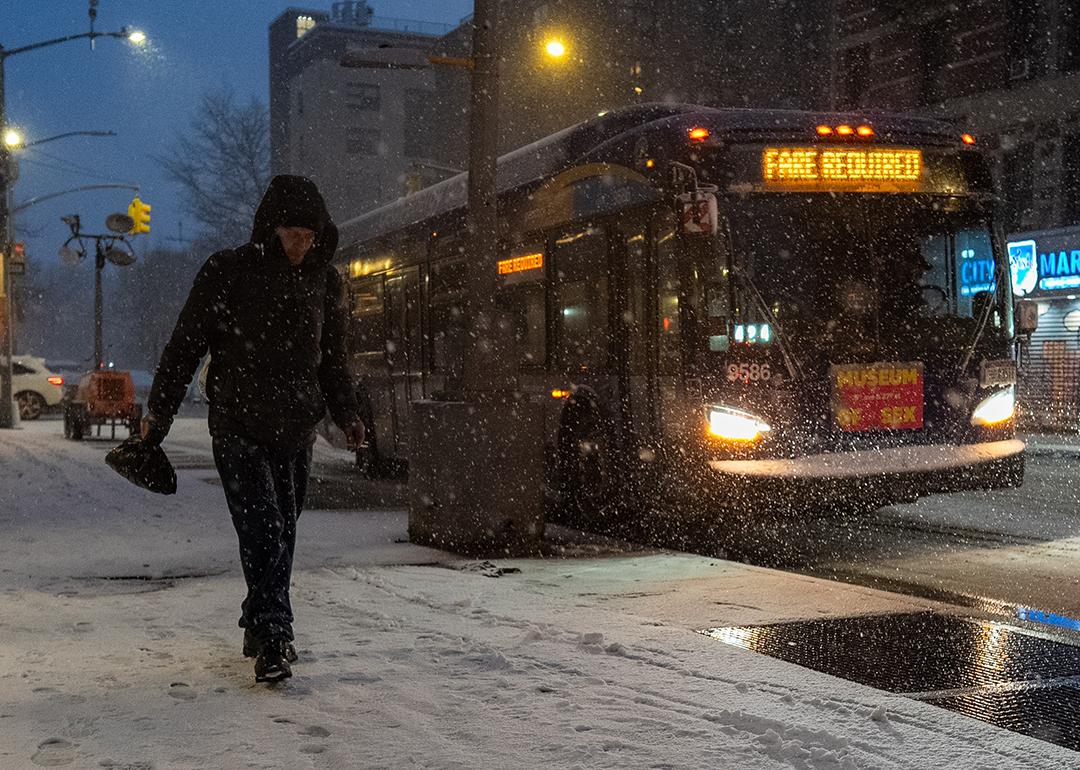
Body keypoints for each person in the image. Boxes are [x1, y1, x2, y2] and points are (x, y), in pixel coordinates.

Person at [141, 175, 365, 683]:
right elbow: (184, 349)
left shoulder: (324, 282)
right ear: (270, 228)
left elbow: (331, 359)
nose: (300, 247)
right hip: (239, 425)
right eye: (292, 235)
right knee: (265, 530)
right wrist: (159, 416)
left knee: (282, 533)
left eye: (309, 238)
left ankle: (258, 622)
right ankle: (274, 637)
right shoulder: (227, 272)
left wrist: (347, 413)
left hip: (295, 429)